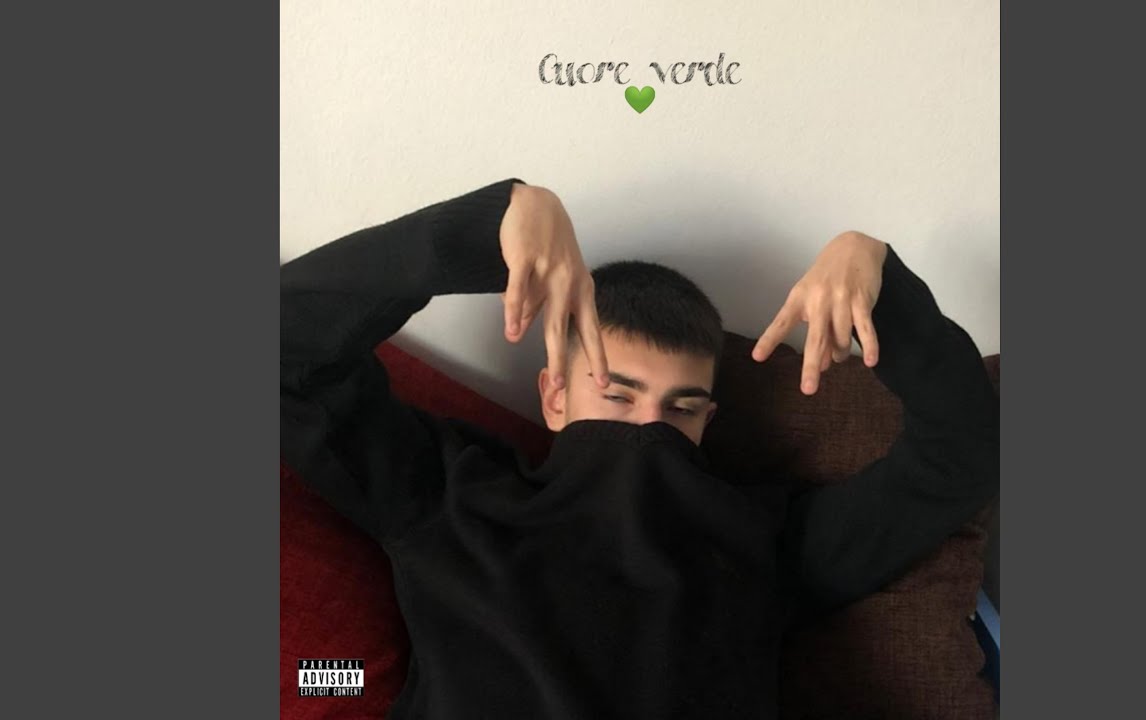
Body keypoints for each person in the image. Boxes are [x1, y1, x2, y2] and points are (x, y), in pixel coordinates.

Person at [280, 177, 999, 719]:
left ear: (709, 421)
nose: (646, 433)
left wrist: (879, 282)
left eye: (680, 409)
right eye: (616, 396)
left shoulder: (765, 539)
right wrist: (483, 228)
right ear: (555, 397)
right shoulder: (449, 496)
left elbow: (960, 460)